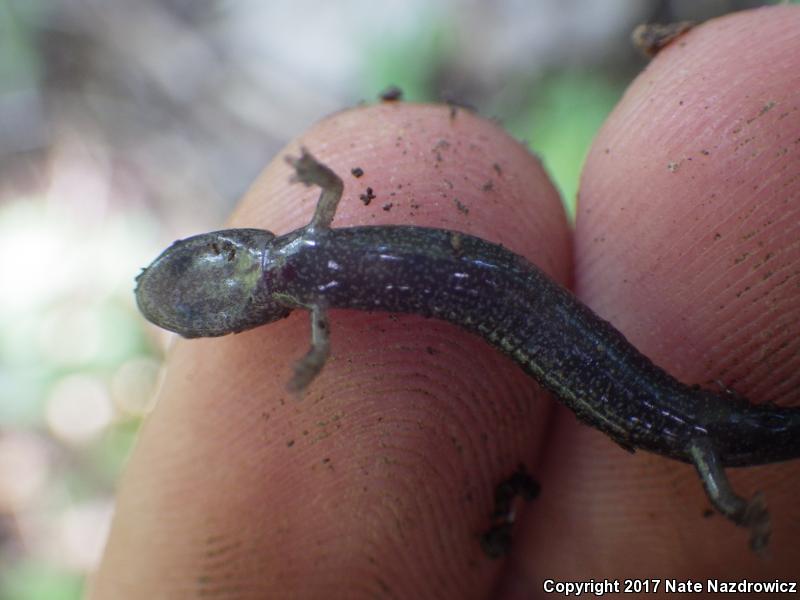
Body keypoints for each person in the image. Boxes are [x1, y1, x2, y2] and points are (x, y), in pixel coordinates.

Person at [89, 6, 799, 597]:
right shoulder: (310, 265)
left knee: (697, 425)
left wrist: (311, 363)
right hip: (594, 364)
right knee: (691, 426)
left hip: (579, 350)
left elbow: (329, 272)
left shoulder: (309, 280)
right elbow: (331, 205)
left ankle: (742, 493)